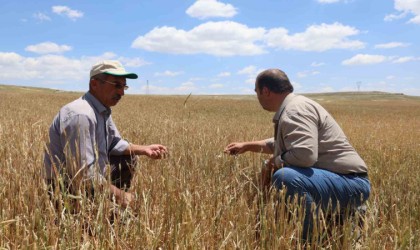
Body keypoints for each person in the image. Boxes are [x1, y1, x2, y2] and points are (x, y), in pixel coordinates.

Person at [224, 69, 370, 240]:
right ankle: (337, 219)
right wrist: (248, 146)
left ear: (265, 91)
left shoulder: (294, 111)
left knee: (286, 177)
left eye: (257, 92)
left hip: (352, 184)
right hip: (341, 180)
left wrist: (273, 162)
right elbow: (286, 144)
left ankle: (312, 240)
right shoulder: (295, 106)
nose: (257, 97)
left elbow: (304, 155)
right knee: (285, 173)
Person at [44, 60, 168, 209]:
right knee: (128, 219)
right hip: (66, 188)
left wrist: (144, 149)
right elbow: (83, 174)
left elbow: (114, 143)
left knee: (128, 157)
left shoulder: (102, 110)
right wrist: (121, 197)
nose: (122, 92)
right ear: (95, 84)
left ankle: (108, 201)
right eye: (116, 85)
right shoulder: (81, 115)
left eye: (124, 86)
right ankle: (86, 209)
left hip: (89, 182)